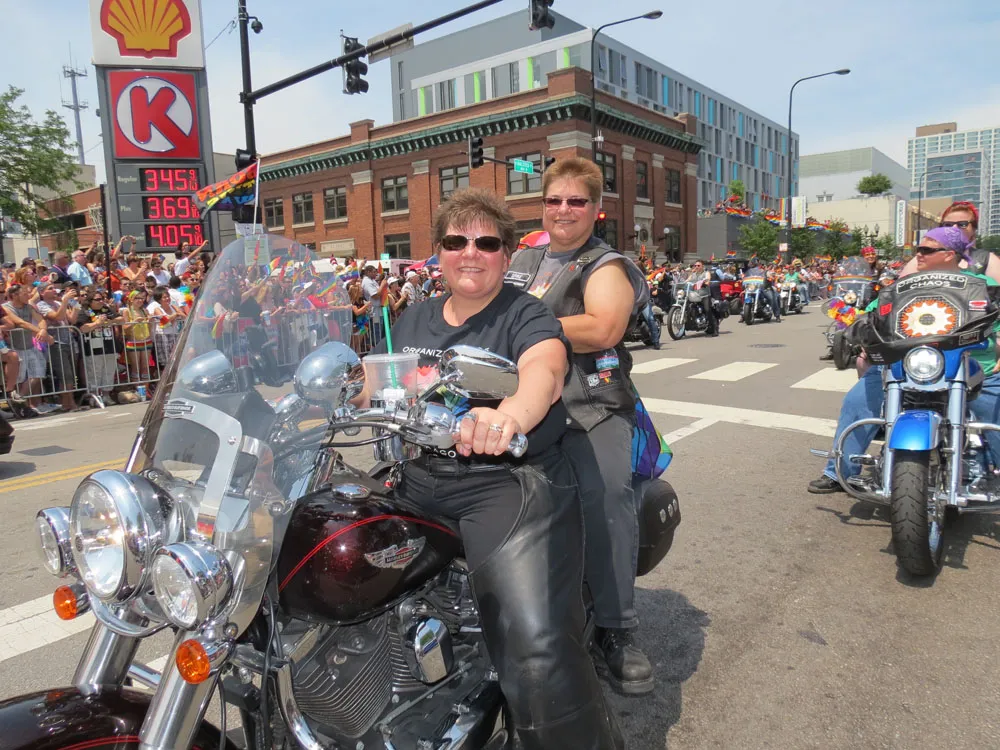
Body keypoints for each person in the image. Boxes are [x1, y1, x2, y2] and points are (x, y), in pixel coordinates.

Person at [355, 187, 622, 750]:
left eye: (487, 243)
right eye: (456, 241)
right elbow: (380, 385)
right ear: (439, 252)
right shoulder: (412, 319)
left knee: (535, 644)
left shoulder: (527, 314)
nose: (470, 253)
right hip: (418, 477)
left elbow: (543, 373)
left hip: (504, 482)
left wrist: (507, 418)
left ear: (506, 253)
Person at [506, 157, 654, 695]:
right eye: (554, 200)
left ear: (596, 208)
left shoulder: (606, 263)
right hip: (522, 398)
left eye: (576, 201)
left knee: (605, 494)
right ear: (542, 205)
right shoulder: (523, 258)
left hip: (590, 404)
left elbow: (604, 326)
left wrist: (520, 325)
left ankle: (616, 628)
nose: (564, 210)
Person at [809, 226, 1000, 493]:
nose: (918, 254)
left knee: (994, 407)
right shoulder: (903, 285)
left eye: (926, 249)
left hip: (965, 364)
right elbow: (873, 313)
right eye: (918, 249)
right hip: (903, 364)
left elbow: (995, 319)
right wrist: (860, 330)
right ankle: (839, 471)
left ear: (950, 254)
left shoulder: (982, 286)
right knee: (857, 402)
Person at [2, 284, 54, 414]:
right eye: (25, 294)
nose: (28, 296)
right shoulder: (6, 307)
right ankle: (18, 404)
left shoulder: (29, 306)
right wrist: (45, 335)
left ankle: (19, 398)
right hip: (15, 347)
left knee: (38, 374)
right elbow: (21, 323)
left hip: (30, 346)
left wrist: (43, 330)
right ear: (15, 295)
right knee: (19, 378)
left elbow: (41, 320)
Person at [690, 260, 718, 336]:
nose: (696, 267)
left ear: (702, 266)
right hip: (694, 295)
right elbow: (687, 280)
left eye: (698, 265)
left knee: (707, 310)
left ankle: (714, 329)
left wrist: (705, 283)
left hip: (704, 295)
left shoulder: (706, 273)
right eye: (695, 265)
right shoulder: (693, 274)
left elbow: (708, 279)